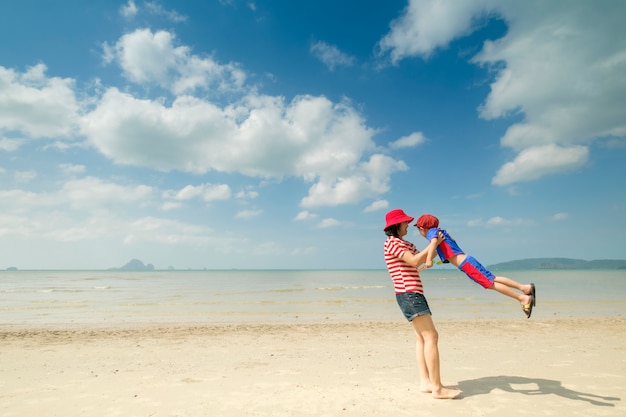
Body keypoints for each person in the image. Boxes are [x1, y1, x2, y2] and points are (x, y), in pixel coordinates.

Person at [383, 209, 461, 399]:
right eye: (405, 223)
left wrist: (438, 245)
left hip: (413, 293)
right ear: (396, 225)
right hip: (408, 293)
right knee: (431, 336)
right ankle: (437, 388)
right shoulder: (392, 243)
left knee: (421, 338)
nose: (408, 225)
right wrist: (434, 242)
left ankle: (426, 382)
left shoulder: (405, 243)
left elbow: (426, 258)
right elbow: (414, 260)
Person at [415, 213, 536, 318]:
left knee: (490, 284)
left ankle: (523, 298)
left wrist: (429, 260)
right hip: (468, 261)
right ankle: (525, 288)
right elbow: (437, 248)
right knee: (492, 278)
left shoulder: (432, 232)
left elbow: (434, 242)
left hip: (466, 264)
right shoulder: (439, 232)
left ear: (422, 228)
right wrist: (429, 259)